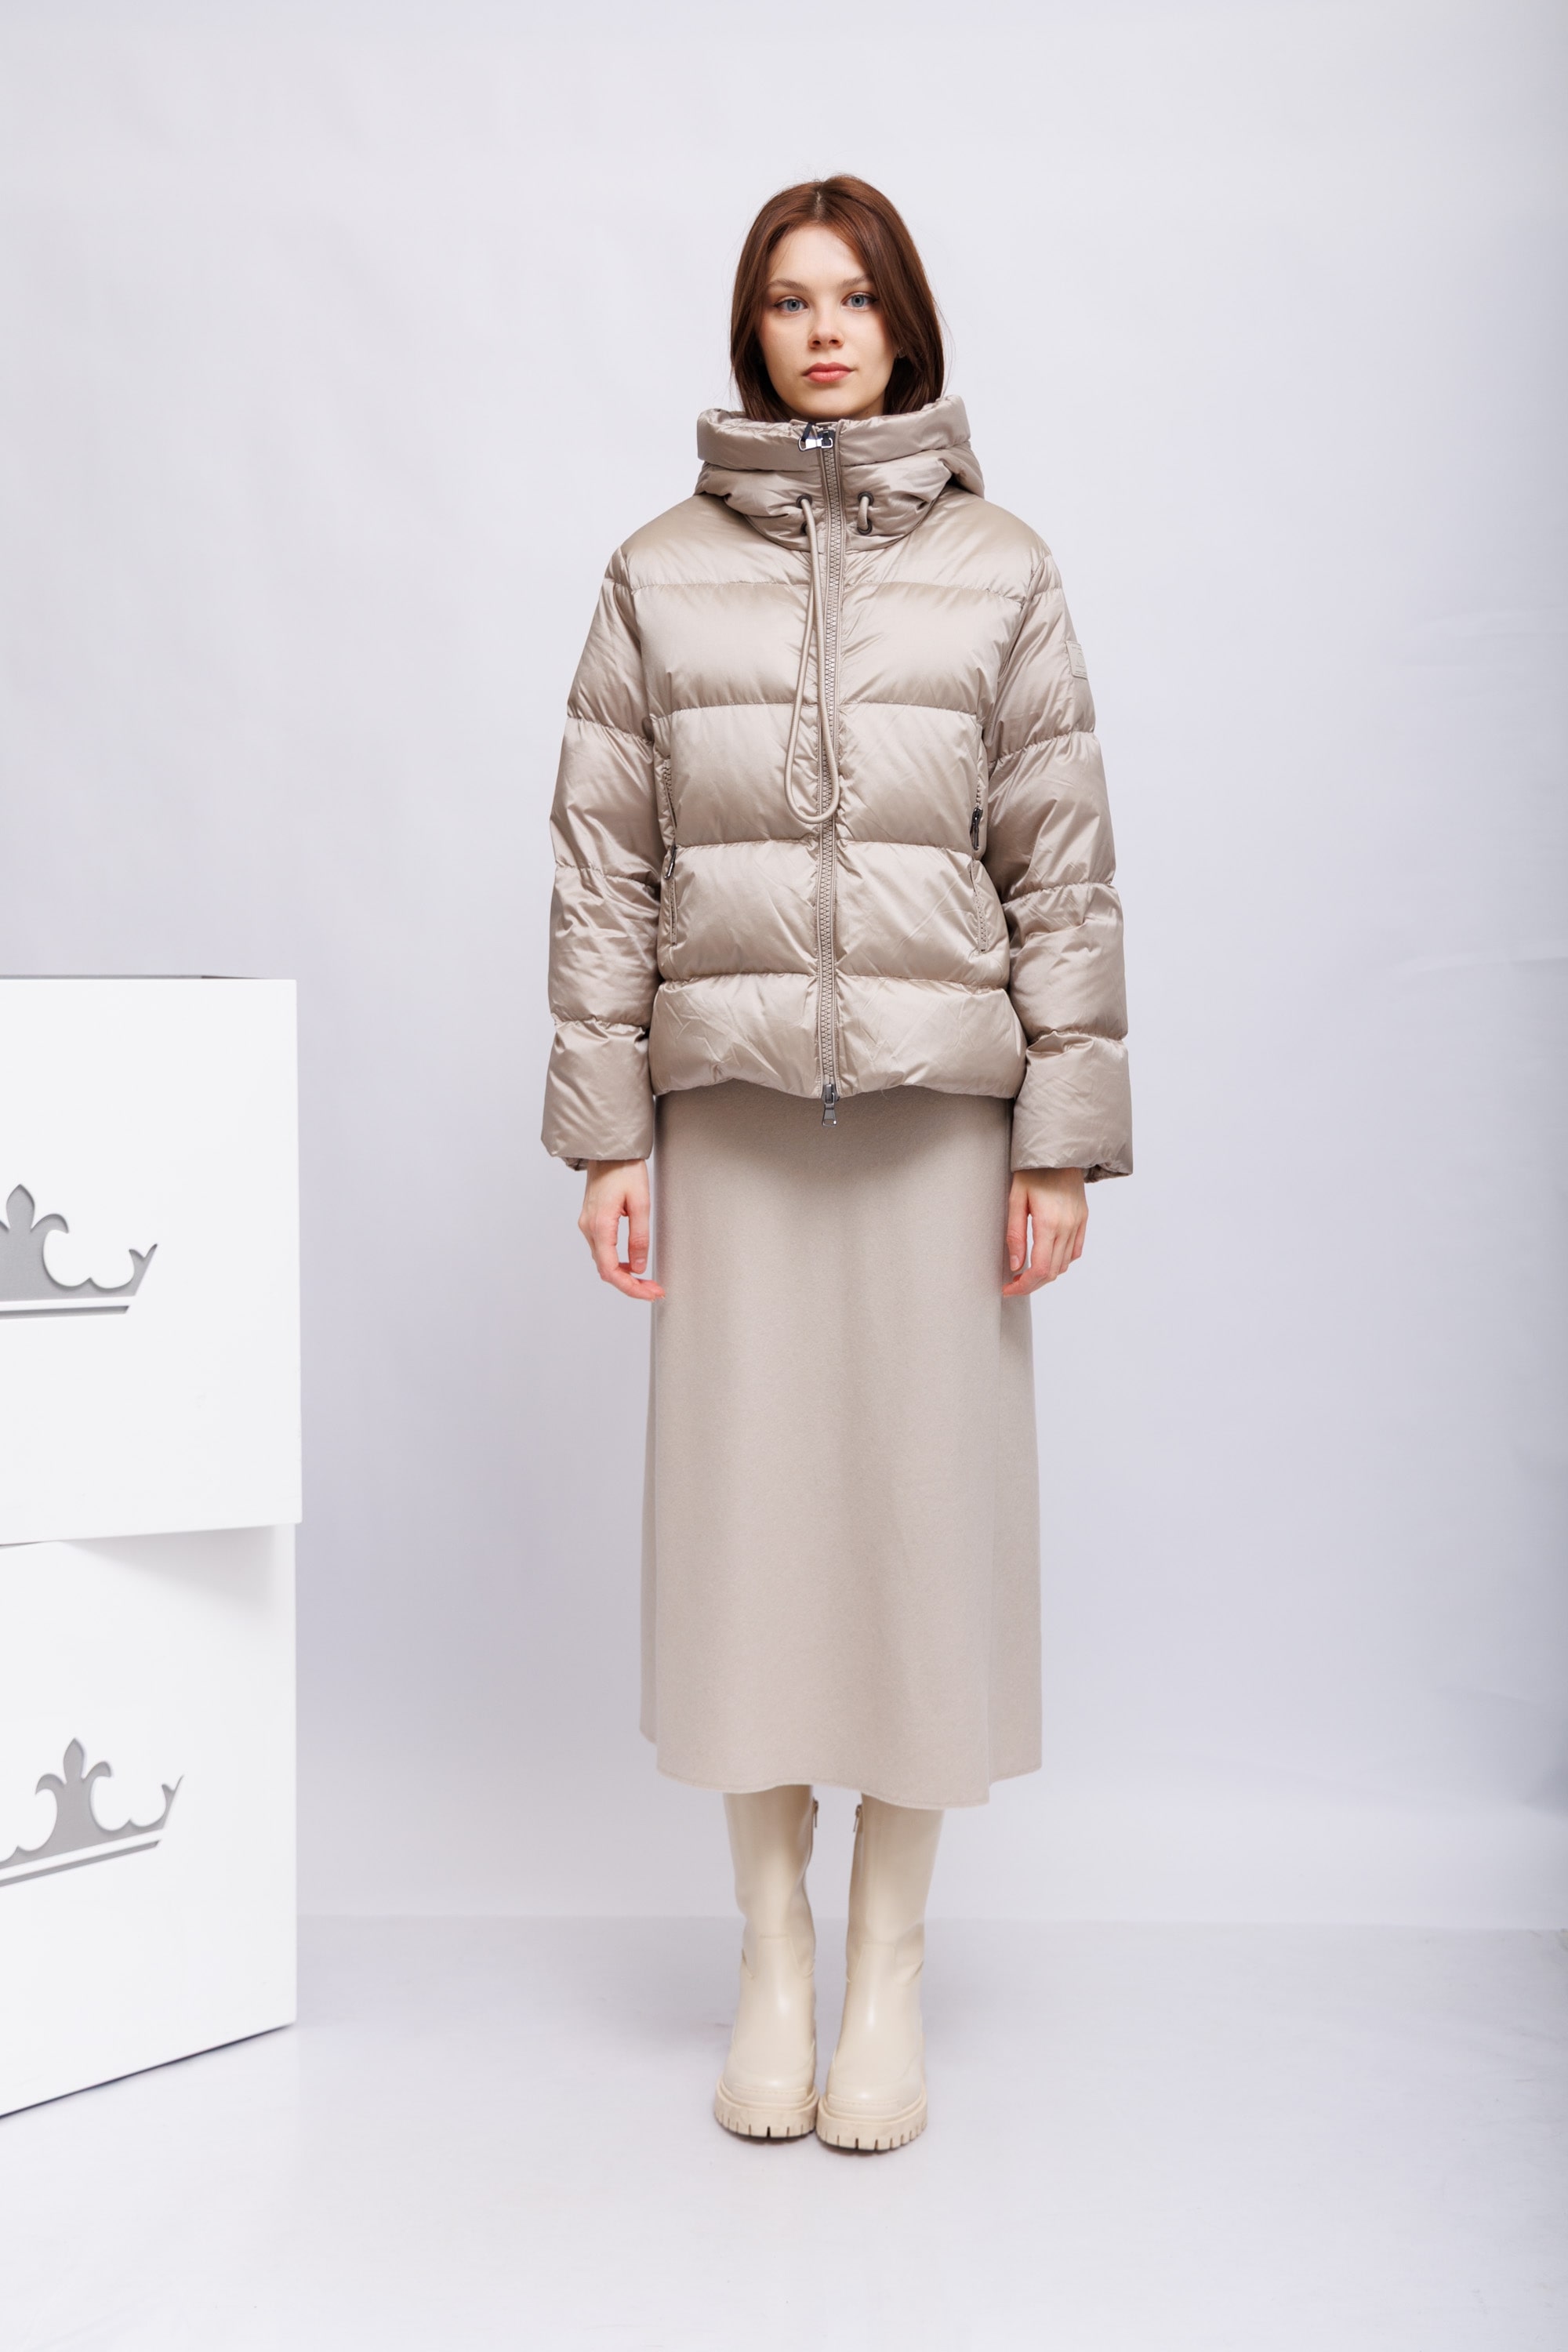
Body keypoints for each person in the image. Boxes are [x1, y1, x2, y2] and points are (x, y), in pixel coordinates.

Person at [543, 176, 1131, 2151]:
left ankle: (886, 1974)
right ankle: (771, 1962)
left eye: (854, 299)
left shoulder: (1004, 572)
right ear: (751, 330)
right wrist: (605, 1136)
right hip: (726, 1116)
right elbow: (603, 869)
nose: (821, 332)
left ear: (903, 327)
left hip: (933, 1123)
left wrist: (1059, 1143)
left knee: (914, 1543)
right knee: (746, 1543)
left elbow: (1063, 872)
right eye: (790, 301)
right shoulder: (651, 572)